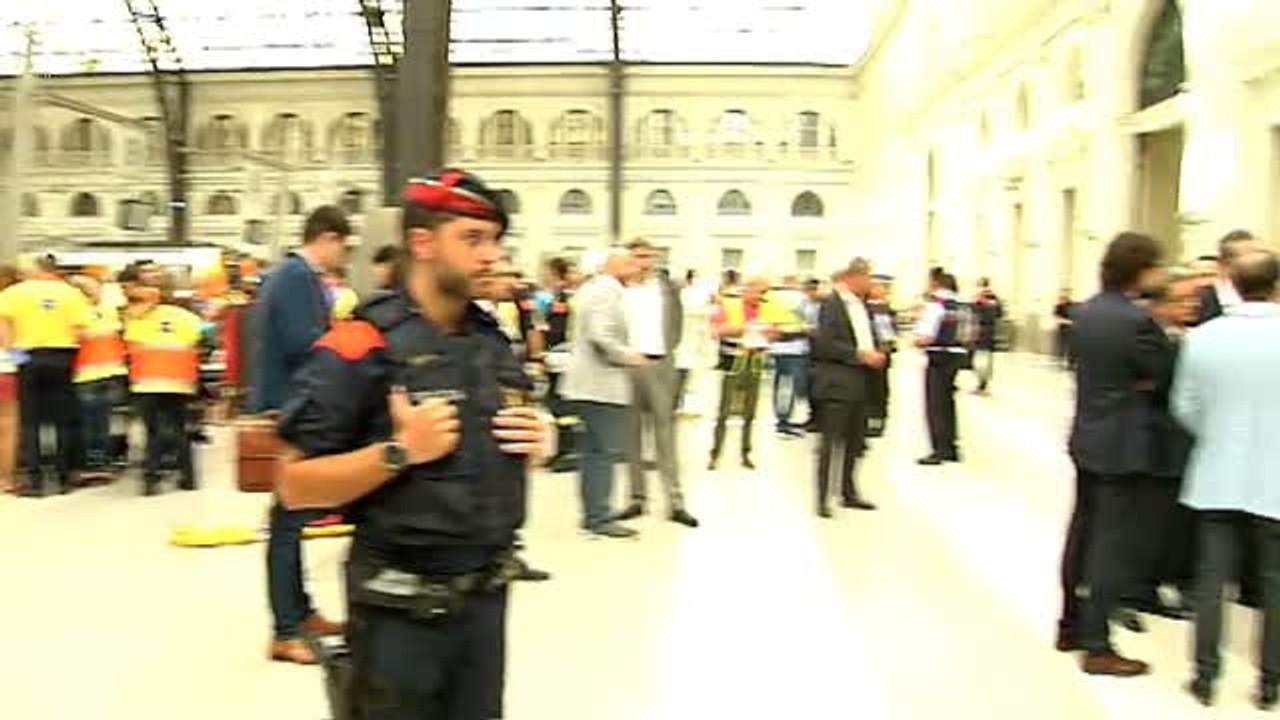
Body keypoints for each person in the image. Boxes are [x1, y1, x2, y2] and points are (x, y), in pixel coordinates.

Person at [276, 169, 548, 719]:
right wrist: (400, 451)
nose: (490, 255)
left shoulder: (489, 342)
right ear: (422, 243)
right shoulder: (361, 343)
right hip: (398, 619)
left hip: (484, 605)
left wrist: (542, 437)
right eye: (472, 239)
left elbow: (494, 444)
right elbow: (293, 483)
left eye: (495, 239)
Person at [1055, 231, 1167, 677]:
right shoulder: (1137, 321)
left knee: (1081, 531)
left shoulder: (1086, 313)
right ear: (1139, 268)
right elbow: (1162, 374)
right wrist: (1141, 383)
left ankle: (1069, 623)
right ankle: (1098, 644)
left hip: (1087, 435)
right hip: (1122, 443)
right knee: (1110, 542)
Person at [1173, 249, 1280, 709]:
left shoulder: (1203, 338)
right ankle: (1270, 682)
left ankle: (1204, 676)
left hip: (1216, 471)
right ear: (1276, 285)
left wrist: (1214, 435)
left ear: (1232, 284)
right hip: (1273, 475)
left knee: (1210, 579)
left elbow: (1185, 405)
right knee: (1275, 582)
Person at [253, 205, 351, 665]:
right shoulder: (295, 277)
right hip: (295, 408)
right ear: (327, 238)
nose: (344, 255)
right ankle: (286, 629)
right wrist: (345, 345)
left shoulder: (297, 276)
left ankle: (300, 613)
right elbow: (302, 342)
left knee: (292, 516)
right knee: (290, 520)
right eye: (344, 246)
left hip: (298, 404)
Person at [1125, 268, 1198, 622]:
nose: (1190, 305)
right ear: (1160, 304)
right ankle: (1138, 588)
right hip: (1157, 441)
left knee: (1165, 520)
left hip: (1175, 441)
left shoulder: (1178, 336)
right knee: (1149, 520)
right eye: (1182, 300)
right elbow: (1154, 385)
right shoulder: (1150, 337)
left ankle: (1151, 582)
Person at [562, 247, 644, 539]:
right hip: (600, 384)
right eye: (629, 261)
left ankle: (594, 514)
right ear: (611, 265)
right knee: (602, 452)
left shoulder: (592, 288)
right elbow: (601, 334)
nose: (636, 266)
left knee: (593, 451)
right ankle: (599, 517)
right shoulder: (607, 290)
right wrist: (629, 355)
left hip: (587, 384)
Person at [616, 239, 698, 528]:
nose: (643, 261)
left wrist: (667, 352)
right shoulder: (619, 290)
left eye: (648, 256)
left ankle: (675, 501)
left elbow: (677, 323)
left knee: (665, 435)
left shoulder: (667, 288)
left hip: (660, 362)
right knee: (632, 434)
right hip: (627, 364)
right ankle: (637, 497)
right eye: (637, 256)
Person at [0, 254, 91, 497]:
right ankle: (63, 478)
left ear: (32, 270)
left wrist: (17, 357)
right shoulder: (71, 293)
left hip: (28, 356)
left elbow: (4, 326)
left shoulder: (13, 293)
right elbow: (81, 329)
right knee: (63, 418)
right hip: (63, 355)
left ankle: (34, 480)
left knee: (30, 420)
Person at [811, 259, 885, 518]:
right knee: (830, 442)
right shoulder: (832, 305)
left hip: (861, 381)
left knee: (856, 441)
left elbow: (866, 335)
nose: (870, 283)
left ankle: (847, 490)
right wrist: (859, 355)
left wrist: (877, 351)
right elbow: (825, 344)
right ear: (854, 277)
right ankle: (822, 498)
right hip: (837, 382)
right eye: (867, 278)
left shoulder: (863, 306)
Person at [124, 274, 202, 495]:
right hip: (180, 382)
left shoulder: (136, 318)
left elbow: (130, 347)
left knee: (153, 432)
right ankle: (189, 478)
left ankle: (150, 481)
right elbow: (199, 340)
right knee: (180, 430)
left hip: (147, 383)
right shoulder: (189, 317)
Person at [708, 276, 771, 470]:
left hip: (755, 361)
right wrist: (738, 329)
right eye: (759, 292)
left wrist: (770, 333)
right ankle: (715, 453)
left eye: (764, 293)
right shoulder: (729, 305)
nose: (761, 297)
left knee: (750, 412)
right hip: (734, 361)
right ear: (748, 289)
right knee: (724, 411)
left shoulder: (766, 308)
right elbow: (714, 329)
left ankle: (746, 453)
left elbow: (776, 330)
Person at [69, 274, 128, 481]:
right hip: (107, 373)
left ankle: (91, 464)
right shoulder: (109, 310)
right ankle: (101, 463)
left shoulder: (76, 312)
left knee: (91, 421)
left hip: (89, 374)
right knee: (100, 421)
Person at [914, 272, 970, 465]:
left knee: (935, 403)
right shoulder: (963, 305)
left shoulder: (935, 305)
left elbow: (926, 337)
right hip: (958, 356)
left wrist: (916, 341)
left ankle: (939, 449)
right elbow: (970, 333)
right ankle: (952, 446)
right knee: (948, 402)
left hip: (938, 355)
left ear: (936, 284)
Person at [768, 276, 811, 438]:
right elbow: (809, 321)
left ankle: (782, 419)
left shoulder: (772, 297)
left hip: (778, 348)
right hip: (796, 347)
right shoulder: (800, 298)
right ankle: (788, 422)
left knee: (781, 385)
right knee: (794, 385)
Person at [864, 275, 896, 436]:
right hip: (870, 351)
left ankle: (876, 421)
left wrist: (886, 349)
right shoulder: (866, 307)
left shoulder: (884, 309)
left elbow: (888, 334)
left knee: (879, 389)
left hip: (880, 353)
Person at [0, 265, 20, 493]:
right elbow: (9, 344)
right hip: (4, 371)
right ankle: (5, 480)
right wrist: (23, 361)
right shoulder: (6, 307)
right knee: (7, 428)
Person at [970, 277, 1003, 394]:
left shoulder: (992, 299)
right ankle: (981, 382)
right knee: (979, 360)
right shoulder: (977, 299)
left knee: (983, 360)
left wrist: (984, 303)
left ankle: (983, 384)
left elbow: (999, 313)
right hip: (980, 333)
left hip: (986, 332)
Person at [1053, 291, 1077, 369]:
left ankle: (1071, 363)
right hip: (1063, 329)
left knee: (1071, 347)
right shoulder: (1058, 307)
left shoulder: (1073, 305)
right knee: (1063, 346)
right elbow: (1057, 318)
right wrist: (1069, 322)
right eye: (1061, 298)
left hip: (1072, 330)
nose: (1061, 299)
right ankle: (1062, 361)